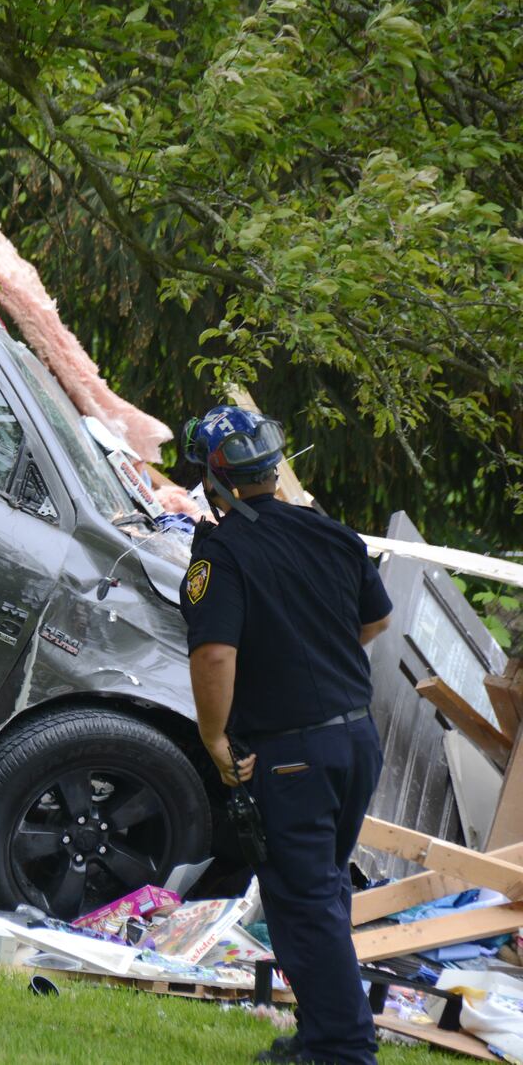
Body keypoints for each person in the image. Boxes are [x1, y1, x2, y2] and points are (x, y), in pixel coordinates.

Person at [177, 405, 393, 1065]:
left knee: (303, 902)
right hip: (356, 741)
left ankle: (342, 1049)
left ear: (213, 479)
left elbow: (215, 654)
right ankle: (329, 1030)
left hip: (292, 754)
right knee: (321, 890)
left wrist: (215, 737)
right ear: (272, 466)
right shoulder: (334, 536)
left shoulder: (222, 552)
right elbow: (374, 622)